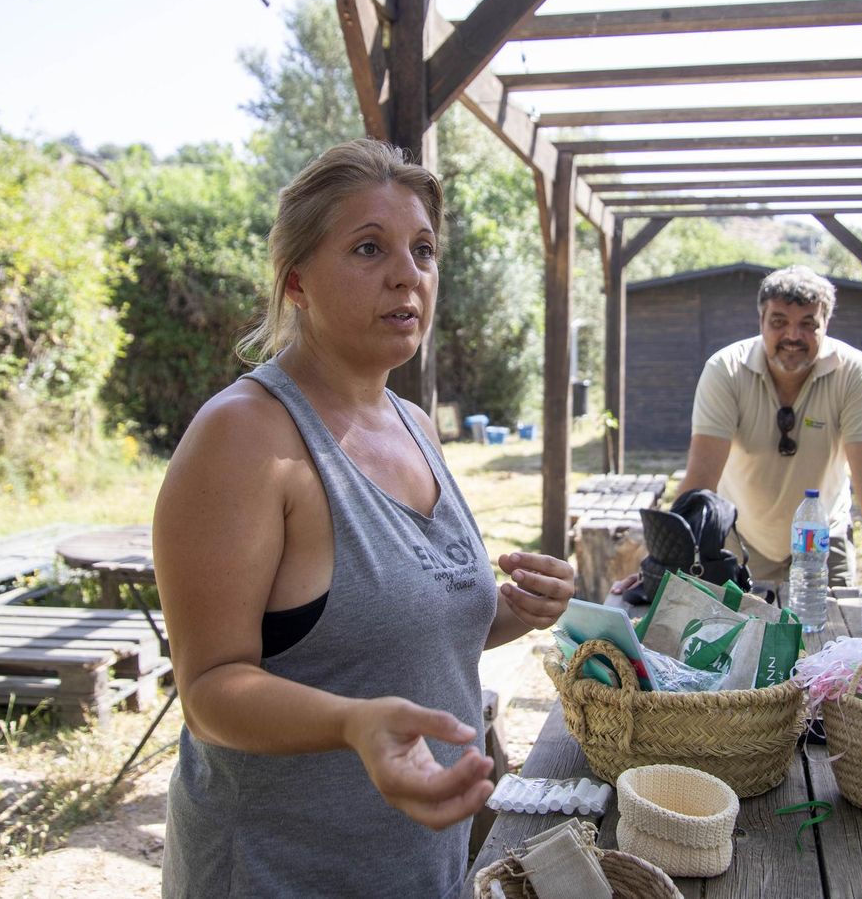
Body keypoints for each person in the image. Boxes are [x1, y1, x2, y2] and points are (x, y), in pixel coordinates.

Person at [153, 139, 576, 899]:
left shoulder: (413, 423)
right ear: (297, 283)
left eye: (423, 250)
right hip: (278, 874)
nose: (406, 273)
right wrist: (352, 723)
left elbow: (392, 635)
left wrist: (512, 609)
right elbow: (211, 688)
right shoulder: (245, 436)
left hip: (416, 868)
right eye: (368, 248)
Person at [625, 266, 862, 610]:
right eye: (779, 321)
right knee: (738, 650)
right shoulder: (725, 370)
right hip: (741, 540)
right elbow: (700, 482)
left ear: (825, 325)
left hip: (822, 539)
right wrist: (659, 566)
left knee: (831, 647)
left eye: (808, 324)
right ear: (761, 321)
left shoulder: (854, 372)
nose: (793, 335)